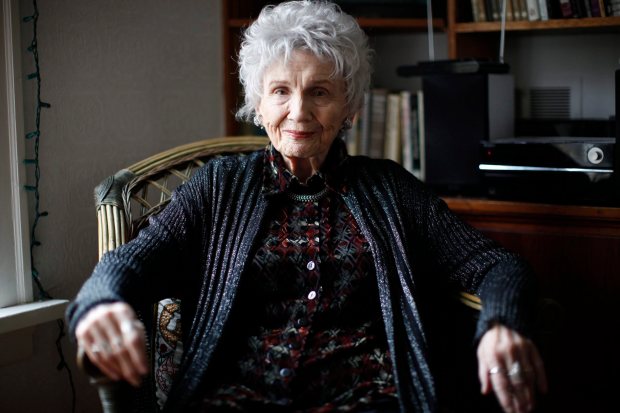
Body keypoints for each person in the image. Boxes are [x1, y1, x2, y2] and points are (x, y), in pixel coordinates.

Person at [67, 1, 547, 412]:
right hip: (236, 399)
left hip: (368, 398)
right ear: (259, 105)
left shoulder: (392, 190)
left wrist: (501, 323)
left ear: (350, 106)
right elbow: (132, 262)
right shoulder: (218, 188)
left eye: (319, 92)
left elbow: (495, 265)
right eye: (280, 91)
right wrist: (99, 303)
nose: (298, 112)